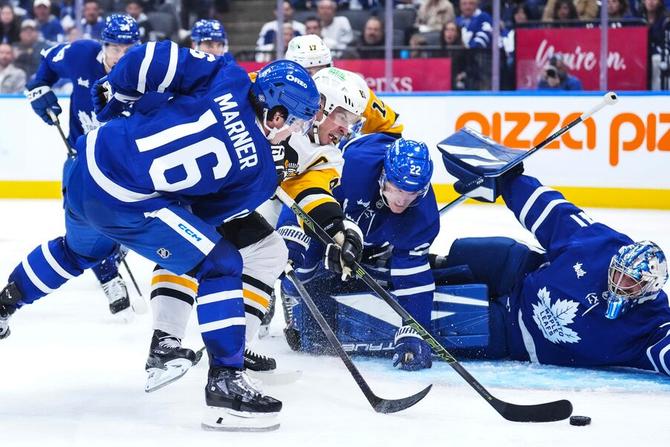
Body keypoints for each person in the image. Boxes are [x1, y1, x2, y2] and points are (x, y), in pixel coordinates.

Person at [0, 39, 321, 430]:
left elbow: (149, 57)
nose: (295, 132)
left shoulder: (228, 76)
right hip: (125, 202)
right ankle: (226, 381)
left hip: (86, 163)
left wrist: (117, 99)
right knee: (221, 263)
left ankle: (5, 303)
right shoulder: (260, 176)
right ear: (275, 115)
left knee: (76, 252)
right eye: (298, 123)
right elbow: (203, 217)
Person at [143, 66, 369, 392]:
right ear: (322, 106)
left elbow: (312, 188)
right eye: (344, 117)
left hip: (228, 198)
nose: (346, 129)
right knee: (187, 247)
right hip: (187, 183)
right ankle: (164, 343)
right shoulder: (267, 92)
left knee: (269, 252)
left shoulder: (325, 153)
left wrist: (337, 228)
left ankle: (234, 348)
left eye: (352, 121)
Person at [436, 130, 670, 376]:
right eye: (618, 273)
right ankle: (413, 266)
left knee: (444, 319)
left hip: (513, 332)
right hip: (518, 272)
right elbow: (553, 213)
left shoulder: (653, 326)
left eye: (630, 282)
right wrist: (508, 179)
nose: (619, 283)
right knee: (467, 252)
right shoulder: (600, 245)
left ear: (649, 289)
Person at [280, 134, 439, 371]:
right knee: (302, 265)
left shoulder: (423, 216)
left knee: (363, 268)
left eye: (411, 193)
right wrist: (290, 241)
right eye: (396, 189)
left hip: (372, 232)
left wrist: (415, 332)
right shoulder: (352, 168)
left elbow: (413, 278)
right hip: (334, 214)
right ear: (383, 177)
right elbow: (304, 194)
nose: (401, 200)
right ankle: (286, 292)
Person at [24, 14, 141, 318]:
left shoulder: (145, 77)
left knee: (119, 222)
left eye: (128, 49)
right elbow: (47, 63)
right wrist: (40, 87)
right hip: (80, 158)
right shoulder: (80, 54)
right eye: (115, 48)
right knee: (80, 225)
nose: (121, 56)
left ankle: (112, 251)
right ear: (103, 45)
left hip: (124, 168)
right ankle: (108, 274)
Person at [285, 34, 403, 136]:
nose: (316, 77)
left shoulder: (349, 89)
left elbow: (391, 125)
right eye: (308, 72)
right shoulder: (279, 94)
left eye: (321, 70)